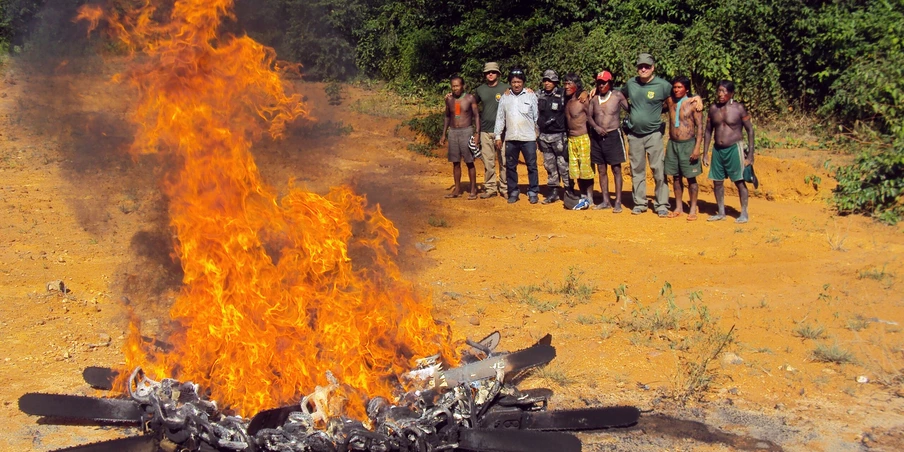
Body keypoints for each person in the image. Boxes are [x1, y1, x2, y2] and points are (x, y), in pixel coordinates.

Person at [703, 80, 755, 223]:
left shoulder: (739, 108)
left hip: (734, 148)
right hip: (717, 150)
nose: (721, 94)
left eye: (724, 91)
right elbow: (708, 131)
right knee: (717, 182)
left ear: (731, 93)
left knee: (739, 181)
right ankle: (721, 212)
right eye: (719, 91)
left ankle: (743, 213)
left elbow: (750, 130)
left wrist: (750, 154)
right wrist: (705, 153)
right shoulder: (713, 109)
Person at [494, 68, 540, 204]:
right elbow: (500, 118)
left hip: (529, 138)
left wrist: (538, 136)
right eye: (514, 82)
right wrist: (498, 136)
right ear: (510, 83)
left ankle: (533, 192)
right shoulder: (505, 97)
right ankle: (513, 191)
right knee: (510, 166)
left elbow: (536, 117)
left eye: (519, 82)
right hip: (511, 138)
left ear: (523, 82)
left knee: (532, 166)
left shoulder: (531, 96)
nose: (516, 85)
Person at [586, 70, 629, 213]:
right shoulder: (594, 98)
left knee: (616, 169)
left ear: (610, 83)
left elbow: (631, 109)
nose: (601, 85)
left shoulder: (617, 96)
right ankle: (605, 200)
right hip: (597, 138)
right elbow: (589, 117)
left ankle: (618, 201)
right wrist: (596, 127)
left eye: (604, 83)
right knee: (601, 169)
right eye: (599, 83)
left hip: (613, 136)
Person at [664, 75, 704, 220]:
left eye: (679, 87)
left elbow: (700, 127)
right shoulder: (669, 101)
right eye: (674, 87)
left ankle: (693, 208)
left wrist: (697, 148)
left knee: (691, 178)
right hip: (673, 144)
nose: (676, 90)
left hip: (688, 145)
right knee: (675, 177)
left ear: (686, 88)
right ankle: (678, 206)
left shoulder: (694, 104)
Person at [439, 75, 480, 199]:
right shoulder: (449, 99)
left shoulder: (470, 98)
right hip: (453, 132)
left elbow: (477, 116)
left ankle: (473, 189)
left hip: (466, 131)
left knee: (469, 161)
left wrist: (477, 133)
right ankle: (457, 189)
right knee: (455, 162)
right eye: (453, 86)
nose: (455, 88)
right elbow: (447, 116)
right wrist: (443, 134)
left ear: (463, 86)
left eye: (457, 85)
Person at [474, 62, 510, 198]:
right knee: (488, 162)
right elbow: (471, 104)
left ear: (498, 74)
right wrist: (452, 97)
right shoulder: (480, 90)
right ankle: (490, 188)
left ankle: (505, 188)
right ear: (484, 74)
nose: (490, 74)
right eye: (488, 72)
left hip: (503, 132)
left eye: (493, 72)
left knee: (504, 161)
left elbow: (519, 95)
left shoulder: (506, 88)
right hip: (485, 131)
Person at [536, 69, 570, 204]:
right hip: (544, 136)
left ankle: (569, 191)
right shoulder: (539, 94)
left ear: (555, 82)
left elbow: (577, 93)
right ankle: (553, 192)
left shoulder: (563, 94)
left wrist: (584, 93)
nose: (547, 83)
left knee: (563, 165)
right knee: (550, 166)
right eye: (545, 80)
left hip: (559, 135)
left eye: (550, 80)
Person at [563, 74, 594, 210]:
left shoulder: (583, 100)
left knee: (586, 169)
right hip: (571, 139)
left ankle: (590, 197)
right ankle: (582, 195)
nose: (567, 87)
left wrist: (586, 93)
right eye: (565, 84)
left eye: (570, 84)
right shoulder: (567, 100)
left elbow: (591, 117)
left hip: (583, 138)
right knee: (576, 171)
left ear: (576, 85)